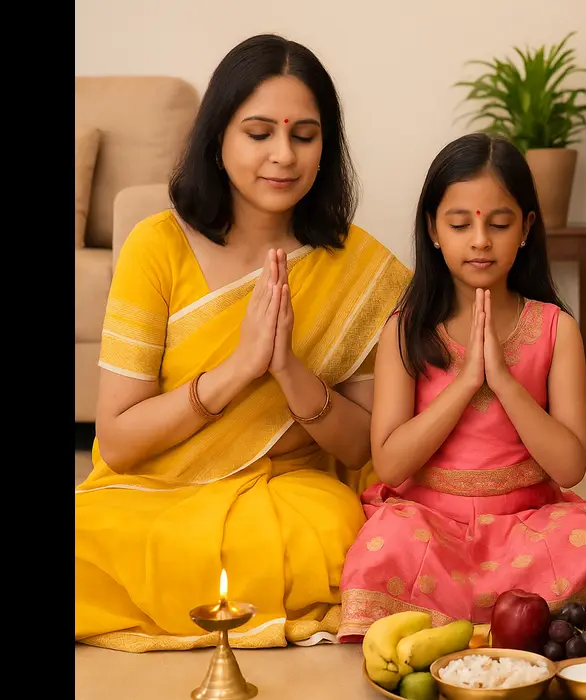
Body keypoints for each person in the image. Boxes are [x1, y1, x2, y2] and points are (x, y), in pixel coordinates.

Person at [74, 34, 411, 651]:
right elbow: (118, 444)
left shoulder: (359, 270)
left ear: (325, 147)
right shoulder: (158, 246)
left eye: (304, 135)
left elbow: (369, 446)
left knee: (340, 531)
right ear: (218, 139)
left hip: (289, 496)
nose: (283, 155)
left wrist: (289, 372)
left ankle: (180, 599)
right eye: (260, 133)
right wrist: (238, 370)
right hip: (157, 493)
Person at [336, 133, 586, 641]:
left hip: (529, 521)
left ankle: (489, 616)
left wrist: (503, 381)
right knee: (387, 540)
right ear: (433, 228)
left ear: (526, 229)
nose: (480, 240)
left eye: (498, 224)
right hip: (433, 525)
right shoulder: (405, 329)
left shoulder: (555, 328)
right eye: (460, 223)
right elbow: (389, 463)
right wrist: (466, 383)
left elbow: (569, 466)